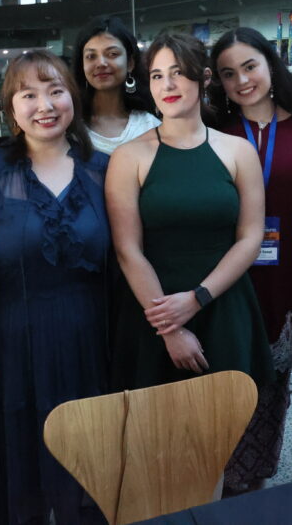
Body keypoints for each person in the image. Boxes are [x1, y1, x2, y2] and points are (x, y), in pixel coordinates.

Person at [0, 50, 111, 525]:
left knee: (90, 465)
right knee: (20, 473)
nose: (45, 105)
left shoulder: (103, 170)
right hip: (14, 343)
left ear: (73, 98)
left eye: (56, 91)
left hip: (90, 340)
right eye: (29, 95)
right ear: (11, 109)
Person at [107, 32, 273, 392]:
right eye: (157, 75)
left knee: (229, 418)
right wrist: (170, 327)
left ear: (205, 77)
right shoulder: (129, 157)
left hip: (223, 305)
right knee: (156, 423)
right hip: (155, 310)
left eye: (178, 72)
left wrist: (199, 298)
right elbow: (128, 250)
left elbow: (250, 238)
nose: (167, 85)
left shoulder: (238, 151)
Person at [208, 27, 292, 495]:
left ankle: (254, 483)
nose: (242, 80)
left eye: (249, 66)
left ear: (271, 64)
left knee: (272, 386)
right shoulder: (213, 132)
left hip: (283, 276)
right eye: (228, 73)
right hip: (226, 278)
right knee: (228, 386)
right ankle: (219, 482)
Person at [0, 16, 158, 160]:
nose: (101, 63)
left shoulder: (150, 126)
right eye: (91, 56)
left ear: (130, 63)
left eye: (112, 54)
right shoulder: (64, 122)